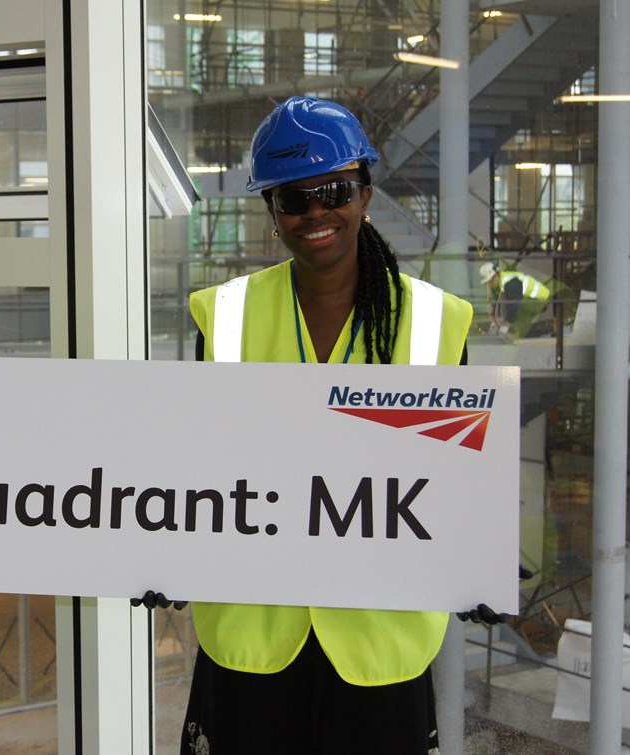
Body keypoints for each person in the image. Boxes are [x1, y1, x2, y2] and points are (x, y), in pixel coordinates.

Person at [181, 96, 501, 754]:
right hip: (252, 635)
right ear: (271, 210)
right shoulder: (225, 316)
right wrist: (152, 556)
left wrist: (480, 559)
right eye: (293, 198)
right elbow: (188, 467)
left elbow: (461, 475)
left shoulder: (434, 323)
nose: (315, 212)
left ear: (364, 193)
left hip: (378, 645)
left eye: (333, 190)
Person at [479, 260, 553, 337]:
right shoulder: (502, 281)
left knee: (514, 310)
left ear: (497, 275)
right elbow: (497, 300)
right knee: (509, 305)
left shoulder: (510, 282)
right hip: (533, 299)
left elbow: (515, 304)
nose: (489, 285)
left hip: (541, 300)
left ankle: (518, 333)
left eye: (490, 281)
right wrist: (493, 316)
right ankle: (516, 331)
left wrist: (507, 324)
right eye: (487, 283)